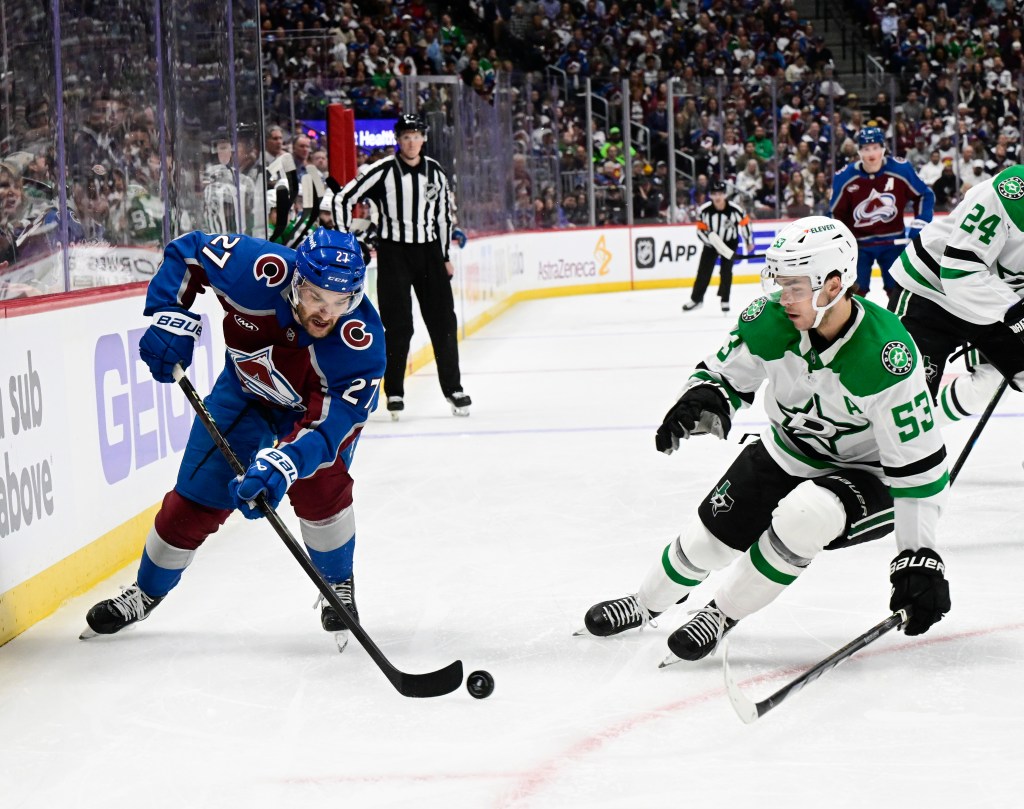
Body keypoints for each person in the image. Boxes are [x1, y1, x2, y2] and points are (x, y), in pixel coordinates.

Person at [581, 216, 950, 664]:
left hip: (869, 473)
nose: (783, 296)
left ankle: (720, 614)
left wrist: (919, 558)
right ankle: (644, 603)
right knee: (706, 543)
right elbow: (724, 375)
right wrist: (705, 398)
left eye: (795, 286)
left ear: (833, 286)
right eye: (781, 283)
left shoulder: (885, 357)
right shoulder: (769, 321)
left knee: (805, 515)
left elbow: (918, 469)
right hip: (789, 449)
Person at [82, 227, 386, 652]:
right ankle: (146, 592)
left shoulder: (361, 344)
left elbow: (335, 426)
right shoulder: (255, 268)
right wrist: (170, 313)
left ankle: (338, 585)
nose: (326, 313)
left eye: (341, 302)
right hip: (245, 394)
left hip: (310, 420)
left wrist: (284, 462)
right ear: (297, 280)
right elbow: (188, 252)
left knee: (322, 486)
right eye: (317, 297)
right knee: (195, 497)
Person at [332, 113, 471, 419]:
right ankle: (394, 391)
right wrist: (346, 243)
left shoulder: (435, 172)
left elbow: (443, 217)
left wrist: (445, 255)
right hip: (394, 253)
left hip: (430, 253)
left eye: (416, 135)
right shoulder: (381, 171)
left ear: (424, 139)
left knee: (443, 323)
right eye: (405, 136)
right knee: (399, 327)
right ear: (398, 140)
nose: (411, 142)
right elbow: (342, 198)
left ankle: (454, 388)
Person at [887, 165, 1024, 427]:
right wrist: (1018, 316)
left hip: (994, 303)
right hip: (931, 292)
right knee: (905, 406)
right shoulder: (1013, 191)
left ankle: (928, 427)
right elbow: (959, 271)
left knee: (987, 385)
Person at [830, 126, 934, 297]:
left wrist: (920, 222)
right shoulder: (845, 177)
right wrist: (841, 241)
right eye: (866, 148)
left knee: (898, 290)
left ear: (883, 149)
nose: (871, 153)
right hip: (859, 246)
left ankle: (897, 323)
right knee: (854, 292)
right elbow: (836, 214)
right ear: (859, 151)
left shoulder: (901, 170)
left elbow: (924, 195)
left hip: (894, 242)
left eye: (876, 147)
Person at [682, 179, 753, 314]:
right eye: (714, 194)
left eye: (720, 193)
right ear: (710, 195)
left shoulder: (735, 210)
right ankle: (696, 300)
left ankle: (724, 300)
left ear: (725, 195)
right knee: (703, 271)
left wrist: (748, 241)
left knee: (726, 272)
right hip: (711, 244)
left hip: (730, 243)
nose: (717, 197)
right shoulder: (704, 211)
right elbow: (700, 231)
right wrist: (711, 243)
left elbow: (745, 224)